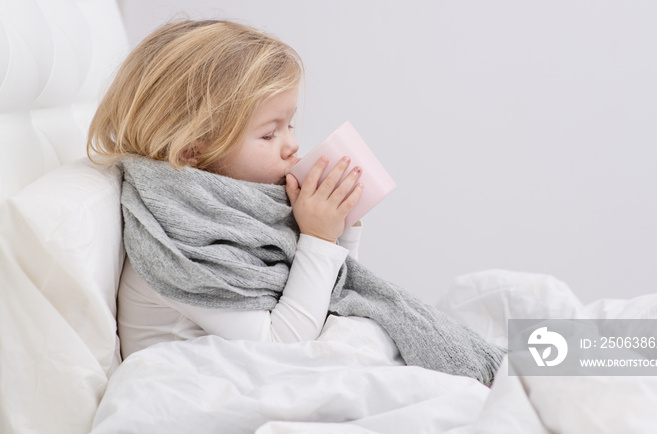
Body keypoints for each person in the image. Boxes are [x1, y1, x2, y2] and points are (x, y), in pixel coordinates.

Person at [88, 19, 504, 386]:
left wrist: (339, 232)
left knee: (481, 320)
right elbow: (282, 344)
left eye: (289, 124)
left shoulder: (229, 209)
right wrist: (319, 239)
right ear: (191, 151)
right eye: (270, 134)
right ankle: (553, 367)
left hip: (272, 359)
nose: (292, 145)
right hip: (219, 382)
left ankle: (559, 359)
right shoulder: (175, 238)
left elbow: (327, 294)